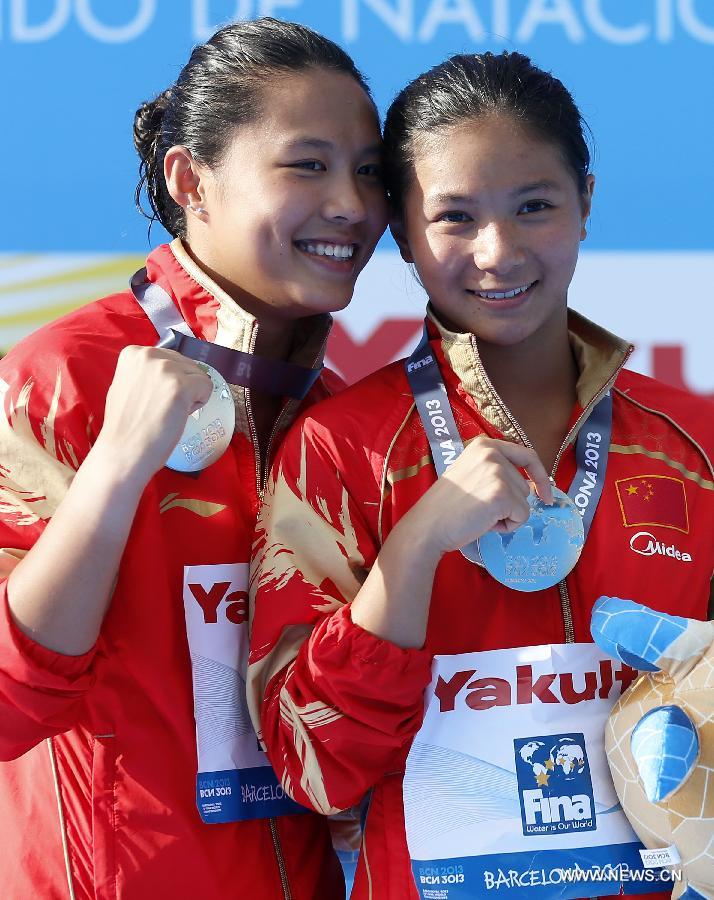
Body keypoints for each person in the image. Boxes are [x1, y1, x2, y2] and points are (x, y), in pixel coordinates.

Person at [248, 51, 714, 900]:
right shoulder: (342, 448)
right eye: (455, 217)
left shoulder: (694, 440)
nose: (497, 253)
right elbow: (313, 766)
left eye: (534, 206)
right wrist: (414, 547)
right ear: (401, 234)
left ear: (586, 206)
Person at [0, 17, 386, 899]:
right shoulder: (62, 377)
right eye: (307, 163)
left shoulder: (344, 421)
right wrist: (115, 468)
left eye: (369, 172)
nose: (352, 205)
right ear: (190, 181)